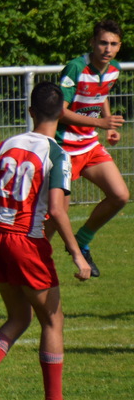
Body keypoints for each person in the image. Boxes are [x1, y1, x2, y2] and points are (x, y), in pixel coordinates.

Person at [0, 81, 91, 400]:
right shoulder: (57, 153)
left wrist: (5, 216)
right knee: (53, 320)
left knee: (19, 317)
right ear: (62, 113)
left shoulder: (8, 144)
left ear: (31, 111)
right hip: (25, 243)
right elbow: (58, 210)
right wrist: (77, 253)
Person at [52, 19, 129, 277]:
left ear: (119, 46)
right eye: (103, 43)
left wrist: (109, 126)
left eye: (113, 44)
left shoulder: (114, 69)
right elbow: (59, 111)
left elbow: (101, 94)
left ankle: (82, 241)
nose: (108, 49)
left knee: (120, 195)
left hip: (89, 145)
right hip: (65, 148)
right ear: (92, 43)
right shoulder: (76, 67)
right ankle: (33, 264)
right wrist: (100, 122)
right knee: (57, 215)